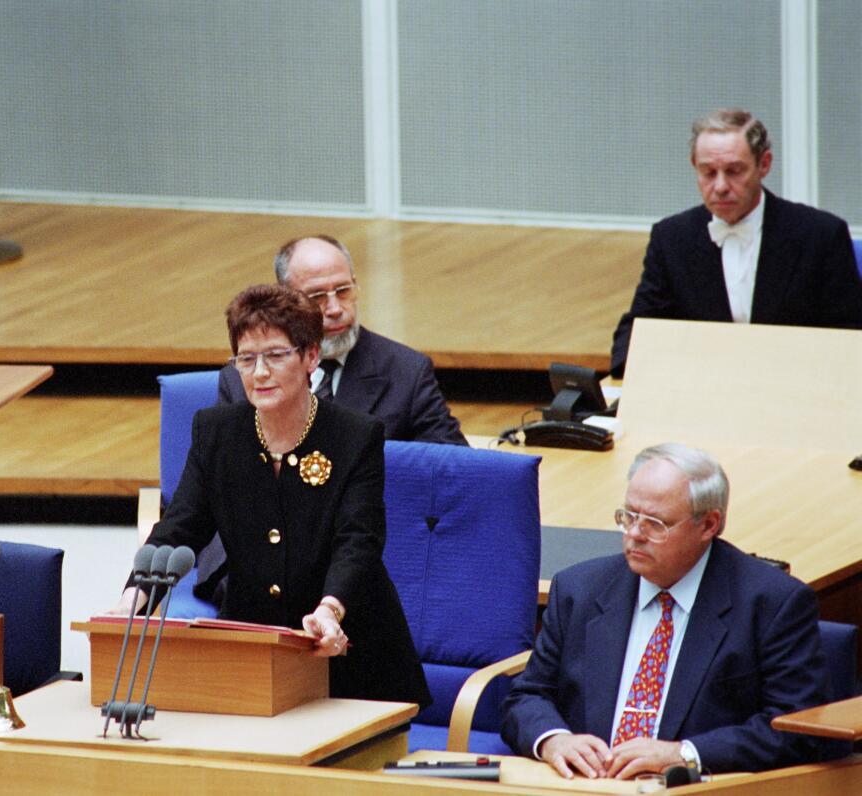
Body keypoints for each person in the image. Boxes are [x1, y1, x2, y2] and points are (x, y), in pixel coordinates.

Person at [114, 284, 430, 707]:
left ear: (310, 358)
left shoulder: (355, 435)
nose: (259, 372)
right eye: (247, 358)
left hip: (348, 651)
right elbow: (179, 527)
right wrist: (133, 599)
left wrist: (331, 610)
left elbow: (359, 540)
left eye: (276, 355)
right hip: (256, 650)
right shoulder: (217, 433)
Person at [501, 443, 841, 778]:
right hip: (590, 787)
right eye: (629, 516)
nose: (634, 534)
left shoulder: (772, 604)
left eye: (655, 523)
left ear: (708, 525)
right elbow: (528, 696)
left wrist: (685, 754)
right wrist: (553, 740)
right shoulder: (580, 590)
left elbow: (797, 729)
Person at [203, 235, 466, 602]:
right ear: (286, 301)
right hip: (260, 557)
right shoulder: (242, 378)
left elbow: (450, 465)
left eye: (343, 291)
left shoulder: (406, 372)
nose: (335, 308)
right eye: (317, 297)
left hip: (361, 555)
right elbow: (228, 478)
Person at [610, 109, 862, 377]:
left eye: (734, 171)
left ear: (764, 164)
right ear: (694, 165)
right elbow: (634, 336)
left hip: (794, 389)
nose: (720, 186)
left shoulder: (821, 235)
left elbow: (849, 341)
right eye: (708, 172)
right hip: (703, 389)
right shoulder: (672, 237)